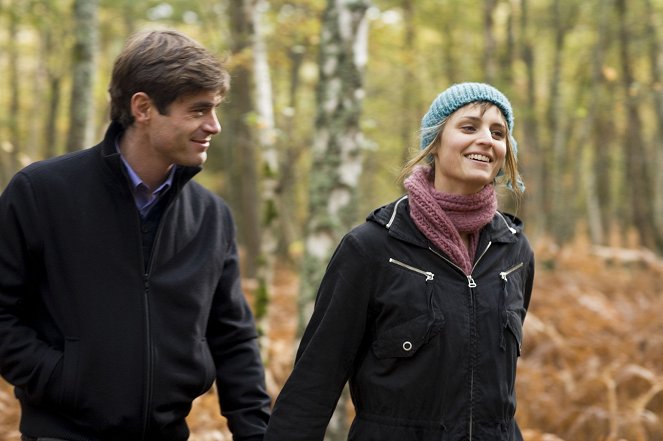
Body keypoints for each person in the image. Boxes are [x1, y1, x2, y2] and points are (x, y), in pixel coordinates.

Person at [0, 29, 270, 441]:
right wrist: (63, 378)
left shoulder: (211, 216)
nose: (213, 126)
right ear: (143, 107)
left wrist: (256, 433)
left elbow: (232, 338)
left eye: (215, 109)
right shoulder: (41, 192)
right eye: (198, 110)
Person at [264, 82, 534, 441]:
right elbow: (315, 380)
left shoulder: (514, 252)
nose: (486, 139)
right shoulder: (371, 248)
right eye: (469, 127)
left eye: (498, 133)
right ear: (434, 142)